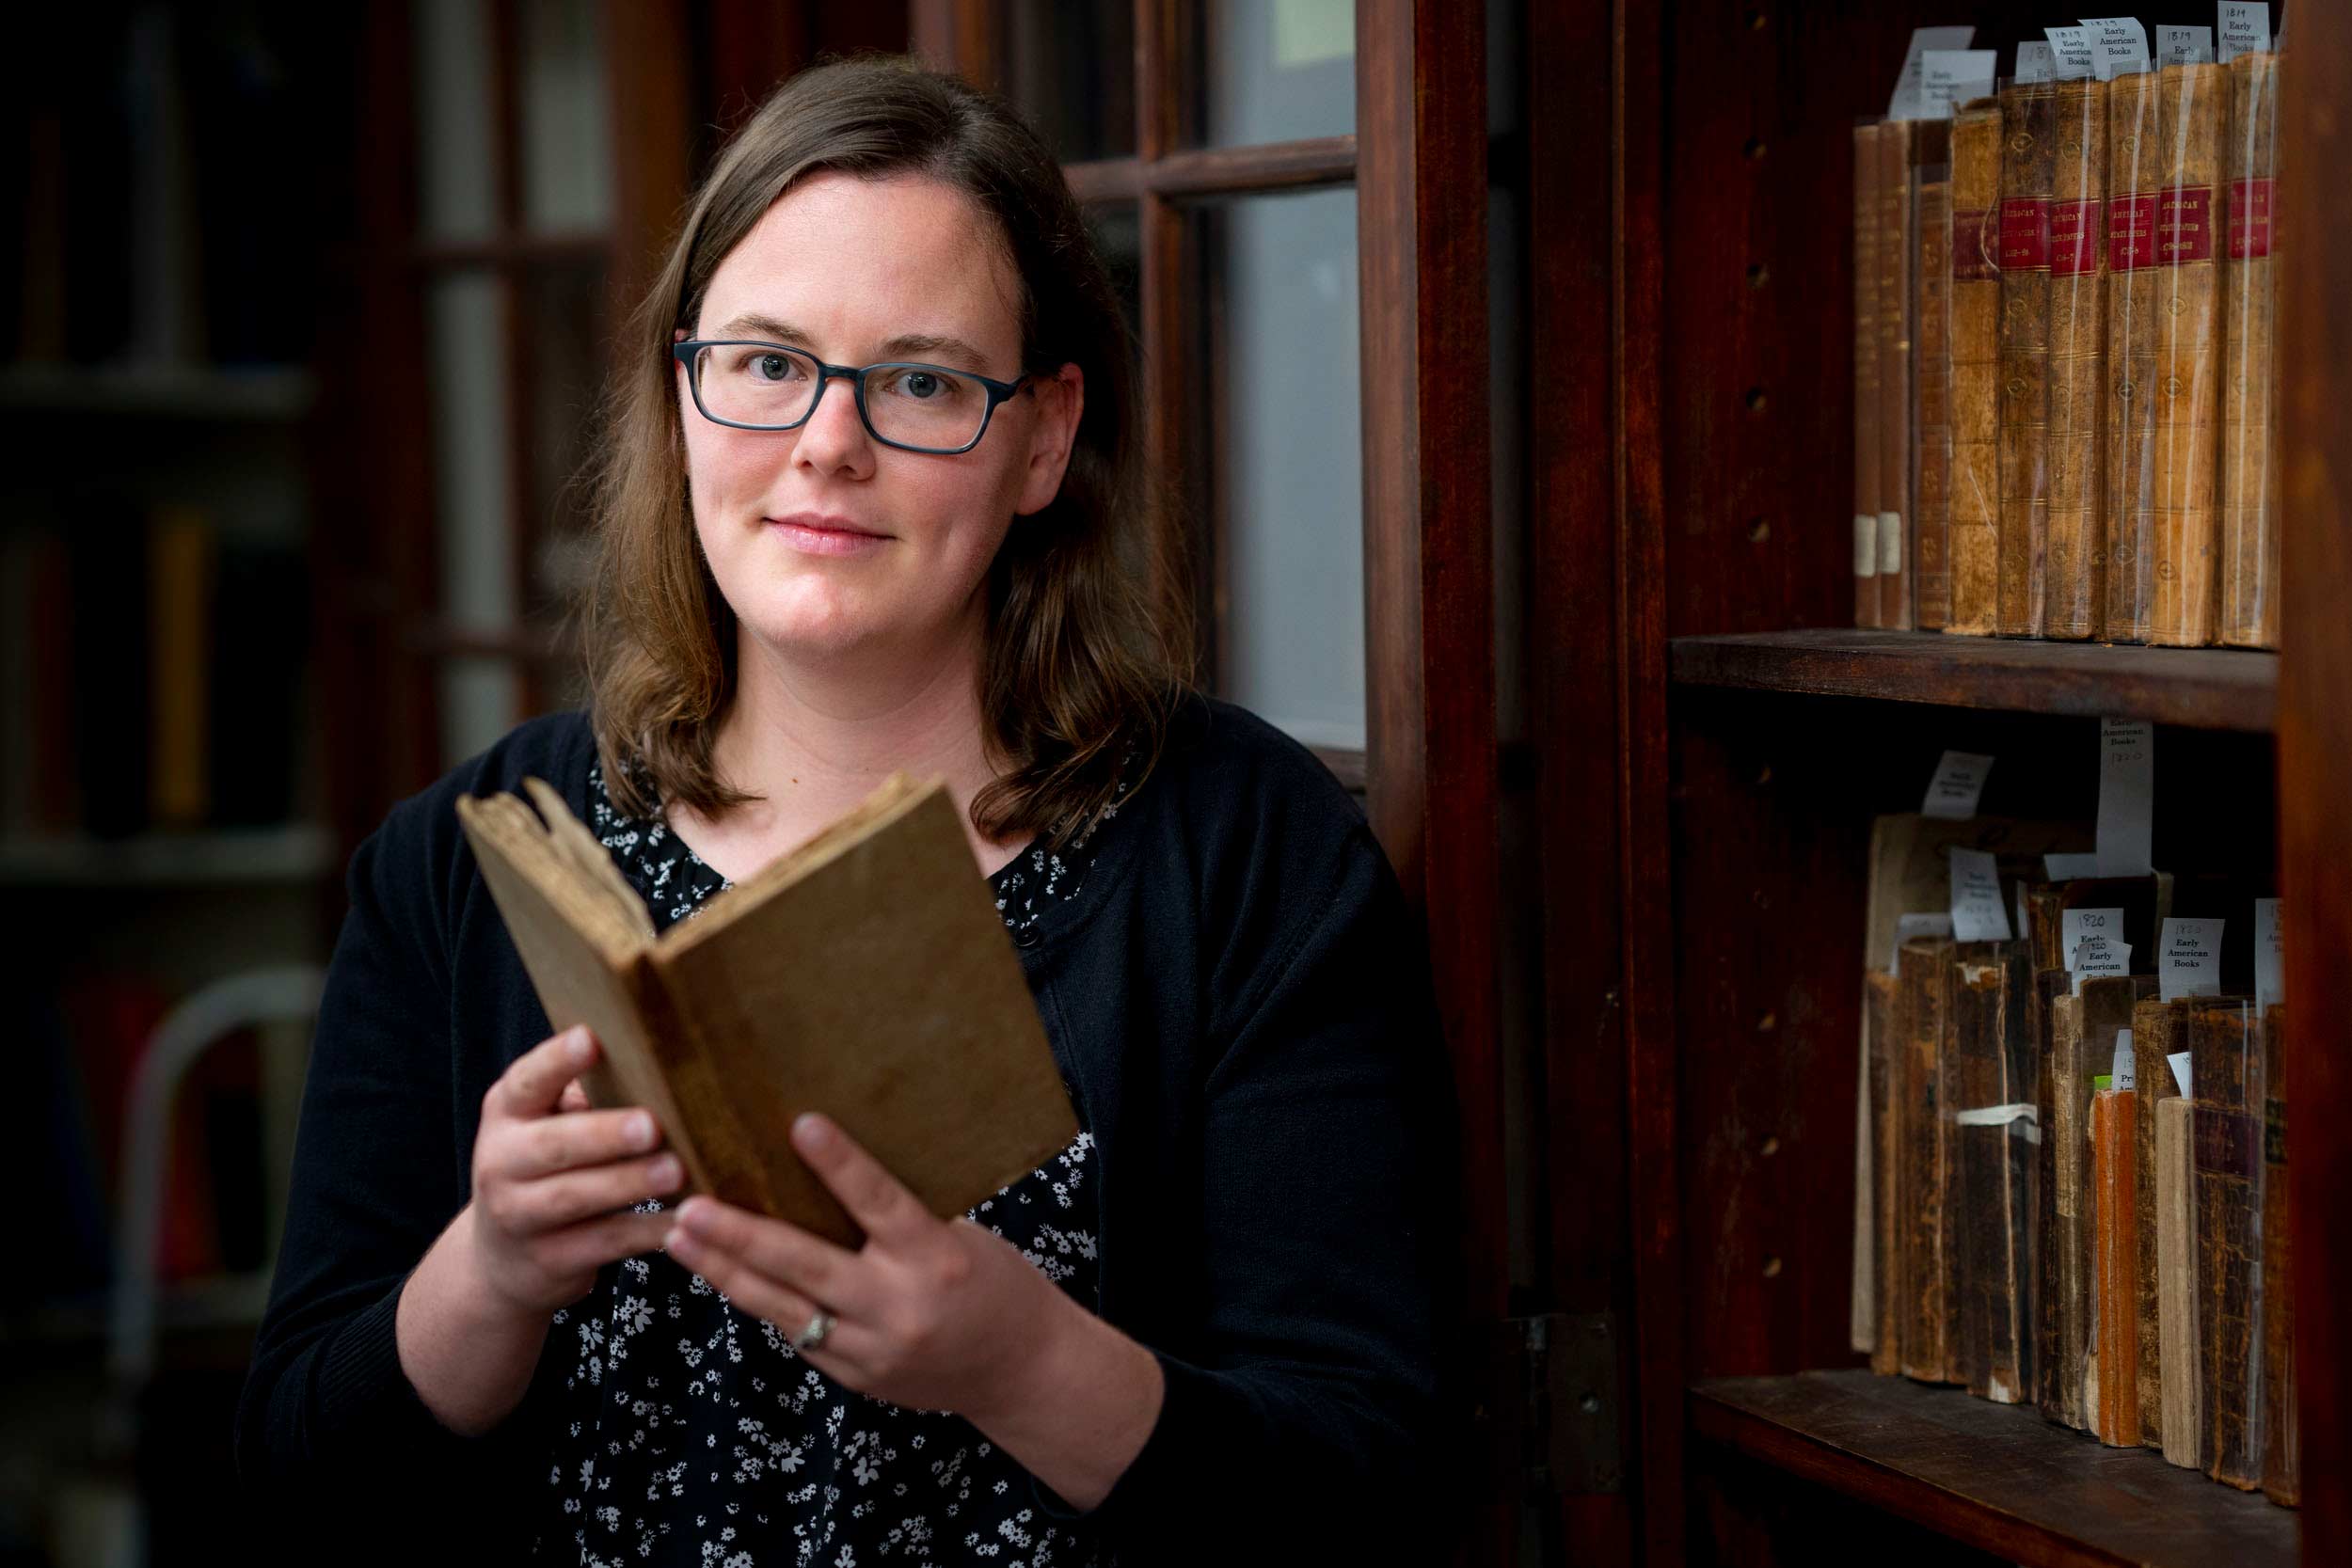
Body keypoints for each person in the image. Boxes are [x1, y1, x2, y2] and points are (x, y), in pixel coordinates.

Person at [236, 56, 1459, 1565]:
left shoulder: (1241, 852)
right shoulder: (462, 861)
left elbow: (1371, 1491)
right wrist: (486, 1272)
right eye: (764, 362)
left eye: (924, 381)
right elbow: (296, 1483)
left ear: (1043, 438)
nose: (828, 442)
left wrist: (1024, 1364)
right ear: (683, 394)